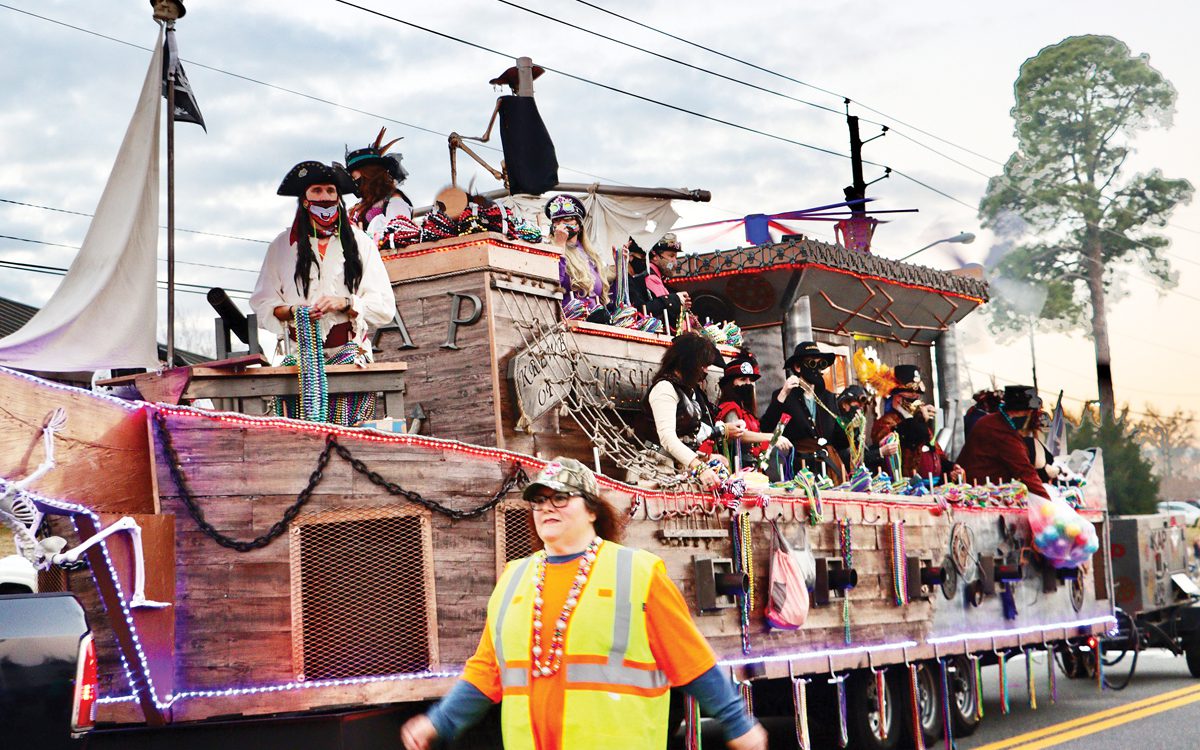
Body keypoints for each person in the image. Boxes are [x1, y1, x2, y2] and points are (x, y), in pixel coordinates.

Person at [400, 458, 767, 750]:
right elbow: (486, 670)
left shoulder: (637, 573)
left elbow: (692, 661)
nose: (547, 508)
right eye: (539, 500)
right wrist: (439, 721)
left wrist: (737, 723)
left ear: (592, 510)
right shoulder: (513, 578)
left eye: (560, 498)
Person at [249, 160, 397, 421]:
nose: (325, 197)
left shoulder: (361, 243)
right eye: (317, 190)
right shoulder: (281, 246)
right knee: (302, 433)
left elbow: (384, 306)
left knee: (349, 431)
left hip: (351, 357)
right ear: (304, 199)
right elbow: (262, 303)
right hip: (299, 361)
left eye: (330, 191)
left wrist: (345, 302)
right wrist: (294, 311)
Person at [633, 332, 744, 490]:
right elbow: (667, 440)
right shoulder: (664, 389)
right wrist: (700, 467)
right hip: (656, 469)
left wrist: (706, 458)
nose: (705, 371)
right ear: (688, 363)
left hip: (678, 468)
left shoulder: (687, 391)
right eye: (703, 365)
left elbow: (688, 437)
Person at [760, 341, 846, 482]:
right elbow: (767, 428)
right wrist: (783, 394)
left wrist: (852, 428)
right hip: (799, 469)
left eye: (820, 364)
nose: (816, 369)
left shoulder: (829, 398)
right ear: (798, 367)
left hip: (827, 469)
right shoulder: (785, 395)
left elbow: (839, 439)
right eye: (811, 363)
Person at [870, 365, 963, 484]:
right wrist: (913, 418)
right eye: (911, 399)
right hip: (906, 486)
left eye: (917, 398)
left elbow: (934, 451)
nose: (917, 403)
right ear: (898, 399)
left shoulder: (918, 421)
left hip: (932, 485)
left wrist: (950, 468)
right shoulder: (885, 423)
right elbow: (910, 440)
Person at [957, 385, 1049, 497]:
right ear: (1022, 412)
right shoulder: (999, 429)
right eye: (1029, 413)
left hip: (984, 490)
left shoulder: (994, 421)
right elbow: (1024, 470)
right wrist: (1048, 503)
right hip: (980, 495)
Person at [715, 349, 792, 469]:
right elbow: (737, 433)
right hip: (736, 469)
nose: (748, 384)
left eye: (750, 380)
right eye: (742, 379)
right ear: (730, 383)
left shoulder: (746, 410)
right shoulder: (729, 407)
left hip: (751, 468)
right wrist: (772, 437)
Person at [545, 195, 612, 324]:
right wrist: (559, 246)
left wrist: (620, 265)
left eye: (567, 220)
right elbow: (554, 283)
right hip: (567, 324)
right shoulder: (549, 249)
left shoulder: (590, 255)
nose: (561, 224)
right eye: (556, 221)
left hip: (596, 323)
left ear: (579, 226)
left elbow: (605, 295)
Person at [345, 127, 414, 237]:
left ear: (369, 175)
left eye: (354, 178)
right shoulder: (359, 206)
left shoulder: (394, 201)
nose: (353, 183)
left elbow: (400, 236)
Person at [833, 384, 898, 475]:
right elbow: (851, 458)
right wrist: (880, 452)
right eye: (857, 404)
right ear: (844, 404)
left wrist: (879, 446)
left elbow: (863, 453)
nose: (860, 409)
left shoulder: (857, 425)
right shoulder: (838, 425)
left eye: (862, 406)